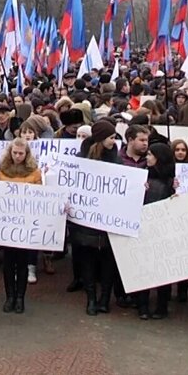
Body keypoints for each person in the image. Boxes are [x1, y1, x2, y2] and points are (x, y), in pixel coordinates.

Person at [71, 120, 121, 315]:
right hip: (86, 222)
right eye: (111, 137)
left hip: (108, 221)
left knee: (108, 261)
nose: (113, 140)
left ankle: (105, 299)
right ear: (101, 138)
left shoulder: (116, 159)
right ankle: (91, 299)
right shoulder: (81, 157)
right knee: (88, 261)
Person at [0, 137, 42, 313]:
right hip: (7, 223)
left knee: (22, 263)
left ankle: (20, 297)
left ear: (26, 154)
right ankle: (9, 297)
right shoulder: (2, 171)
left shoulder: (35, 172)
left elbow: (41, 195)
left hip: (26, 223)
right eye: (14, 153)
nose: (17, 156)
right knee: (8, 263)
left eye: (21, 153)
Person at [136, 142, 175, 320]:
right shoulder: (142, 175)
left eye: (151, 155)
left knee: (162, 268)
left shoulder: (173, 179)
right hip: (143, 227)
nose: (147, 157)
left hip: (164, 229)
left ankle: (162, 305)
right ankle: (142, 304)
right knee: (143, 267)